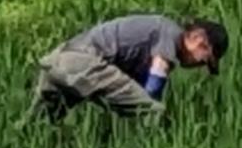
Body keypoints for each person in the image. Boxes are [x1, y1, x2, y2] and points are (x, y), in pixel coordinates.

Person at [33, 14, 227, 122]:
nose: (198, 67)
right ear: (198, 40)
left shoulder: (155, 36)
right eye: (204, 60)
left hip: (58, 61)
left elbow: (133, 85)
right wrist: (153, 110)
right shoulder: (171, 33)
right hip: (85, 63)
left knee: (39, 124)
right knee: (155, 113)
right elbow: (156, 76)